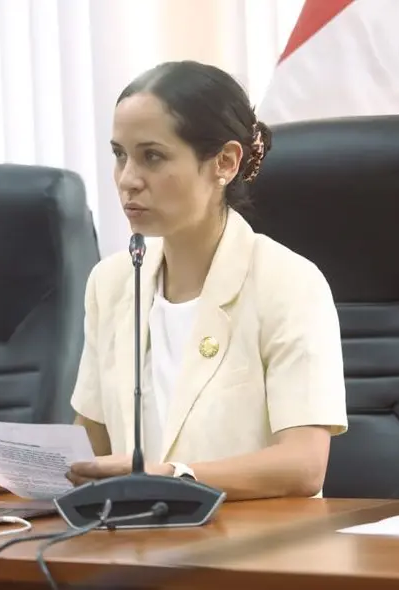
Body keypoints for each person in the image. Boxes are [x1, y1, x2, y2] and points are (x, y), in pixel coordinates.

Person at [64, 61, 348, 501]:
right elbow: (91, 449)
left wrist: (172, 476)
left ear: (225, 162)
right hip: (133, 544)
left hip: (256, 548)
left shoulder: (289, 282)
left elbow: (304, 465)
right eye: (120, 154)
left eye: (152, 157)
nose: (127, 180)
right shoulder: (112, 281)